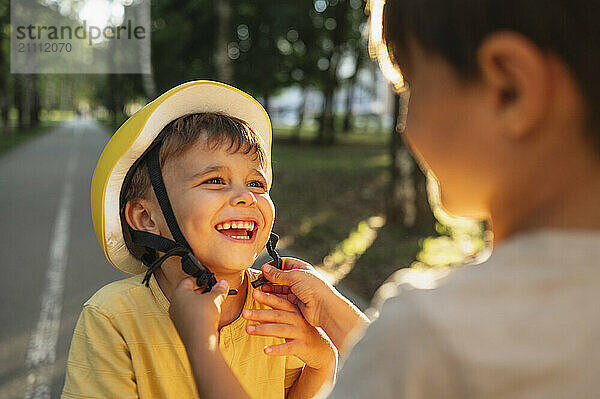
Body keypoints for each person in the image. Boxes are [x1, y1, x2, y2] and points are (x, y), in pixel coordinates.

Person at [168, 0, 600, 397]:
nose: (406, 127)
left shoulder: (429, 332)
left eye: (411, 84)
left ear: (510, 88)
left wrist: (202, 346)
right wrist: (336, 315)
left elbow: (416, 361)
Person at [61, 81, 336, 399]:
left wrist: (321, 363)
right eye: (215, 180)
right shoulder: (112, 318)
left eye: (256, 183)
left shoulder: (277, 306)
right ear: (147, 218)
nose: (246, 197)